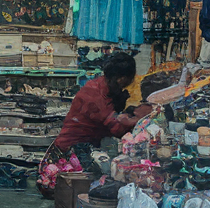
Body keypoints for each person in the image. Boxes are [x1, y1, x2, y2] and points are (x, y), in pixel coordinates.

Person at [40, 52, 152, 195]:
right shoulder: (95, 95)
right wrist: (140, 119)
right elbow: (117, 129)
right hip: (72, 151)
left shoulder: (103, 85)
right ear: (122, 79)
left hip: (85, 144)